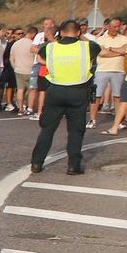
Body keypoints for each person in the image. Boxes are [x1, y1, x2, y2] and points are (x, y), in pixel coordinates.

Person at [31, 20, 99, 175]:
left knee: (47, 129)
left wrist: (56, 39)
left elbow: (40, 55)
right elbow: (97, 47)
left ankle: (36, 163)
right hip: (78, 91)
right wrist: (81, 38)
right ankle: (73, 165)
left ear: (60, 32)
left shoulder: (50, 47)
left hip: (55, 91)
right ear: (79, 33)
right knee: (76, 130)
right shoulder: (87, 46)